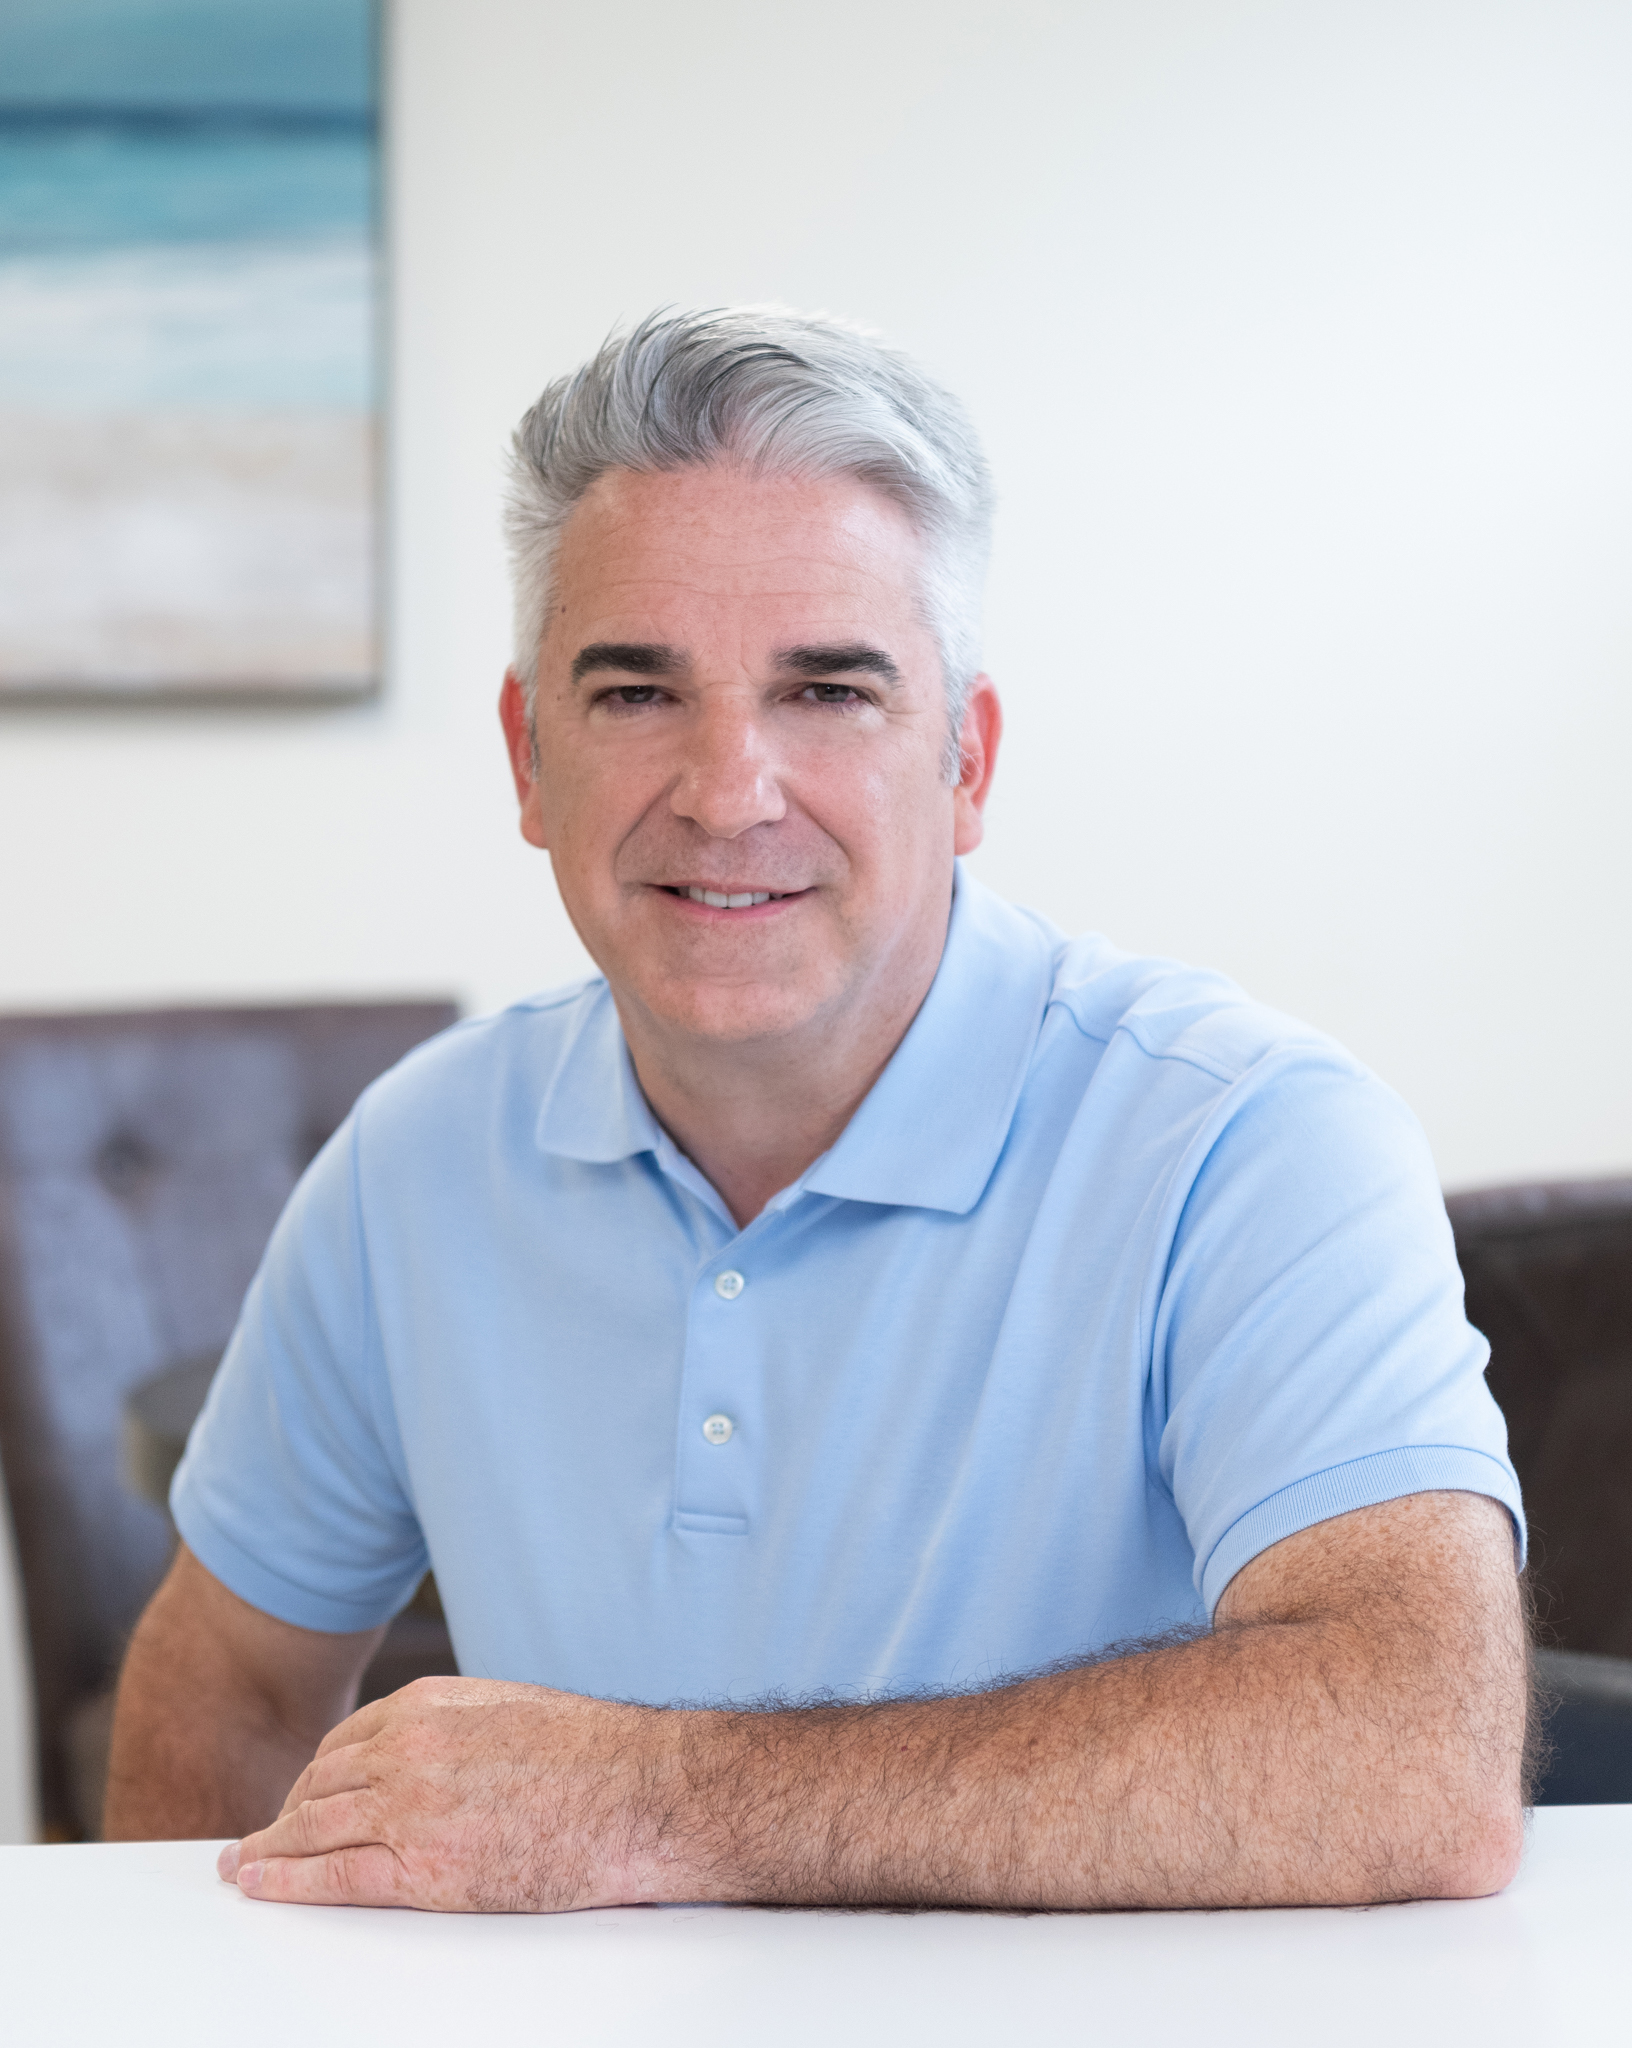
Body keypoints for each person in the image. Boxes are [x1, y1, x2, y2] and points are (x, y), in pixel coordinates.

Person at [104, 307, 1529, 1912]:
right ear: (527, 758)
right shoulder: (411, 1163)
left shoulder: (1246, 1139)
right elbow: (221, 1678)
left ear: (965, 759)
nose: (728, 791)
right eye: (636, 693)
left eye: (828, 691)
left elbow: (1414, 1750)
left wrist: (650, 1801)